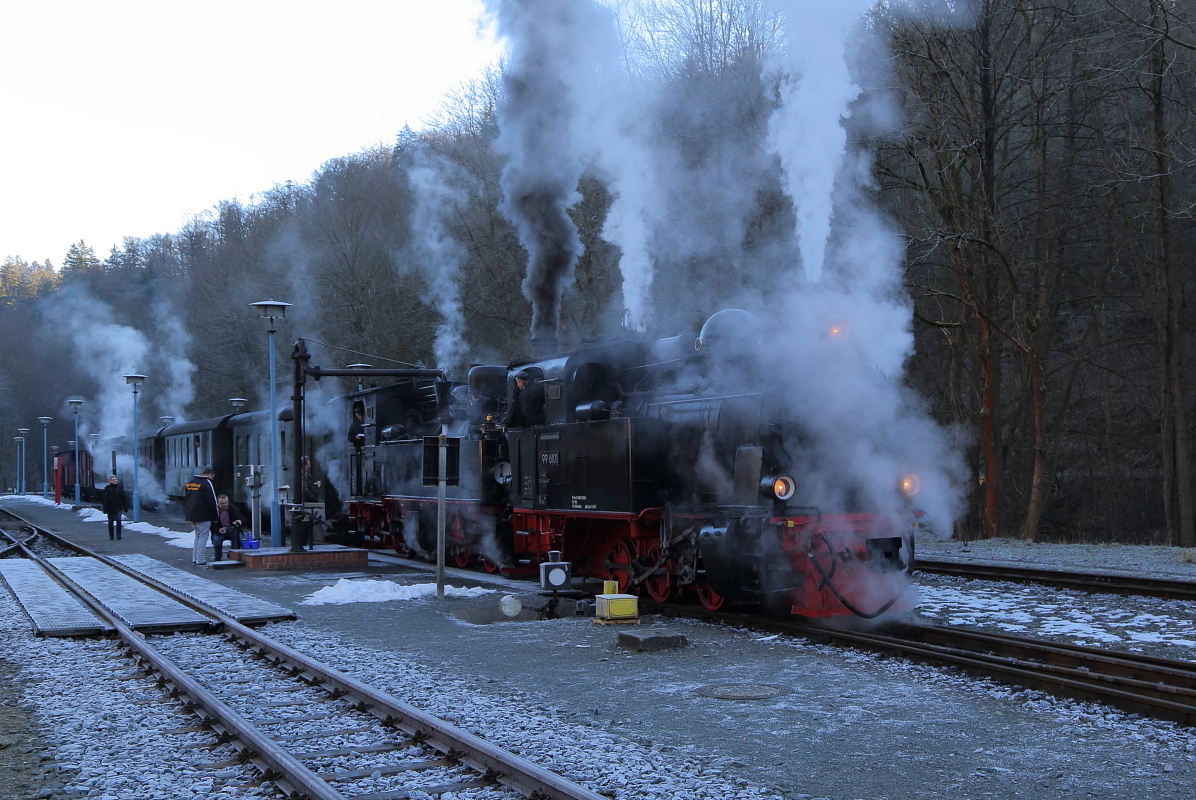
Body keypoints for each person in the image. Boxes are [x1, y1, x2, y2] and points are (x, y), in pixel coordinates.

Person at [184, 468, 221, 566]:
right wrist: (216, 516)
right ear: (210, 475)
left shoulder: (191, 482)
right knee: (203, 536)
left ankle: (194, 558)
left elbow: (186, 498)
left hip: (191, 514)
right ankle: (200, 559)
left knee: (197, 535)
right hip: (202, 515)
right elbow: (212, 501)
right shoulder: (207, 483)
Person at [213, 494, 243, 561]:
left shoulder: (233, 509)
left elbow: (242, 518)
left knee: (240, 539)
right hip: (220, 531)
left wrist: (239, 521)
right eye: (222, 503)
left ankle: (231, 555)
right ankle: (218, 557)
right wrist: (218, 530)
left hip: (232, 530)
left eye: (226, 503)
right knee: (216, 540)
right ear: (217, 503)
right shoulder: (214, 511)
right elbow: (211, 525)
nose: (225, 505)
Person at [100, 475, 126, 541]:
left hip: (118, 507)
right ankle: (111, 535)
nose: (115, 481)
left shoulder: (120, 488)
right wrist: (105, 509)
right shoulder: (107, 488)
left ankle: (118, 535)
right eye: (113, 480)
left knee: (119, 521)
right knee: (111, 521)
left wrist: (125, 507)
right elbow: (105, 499)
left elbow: (123, 498)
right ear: (110, 481)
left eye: (115, 479)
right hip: (110, 507)